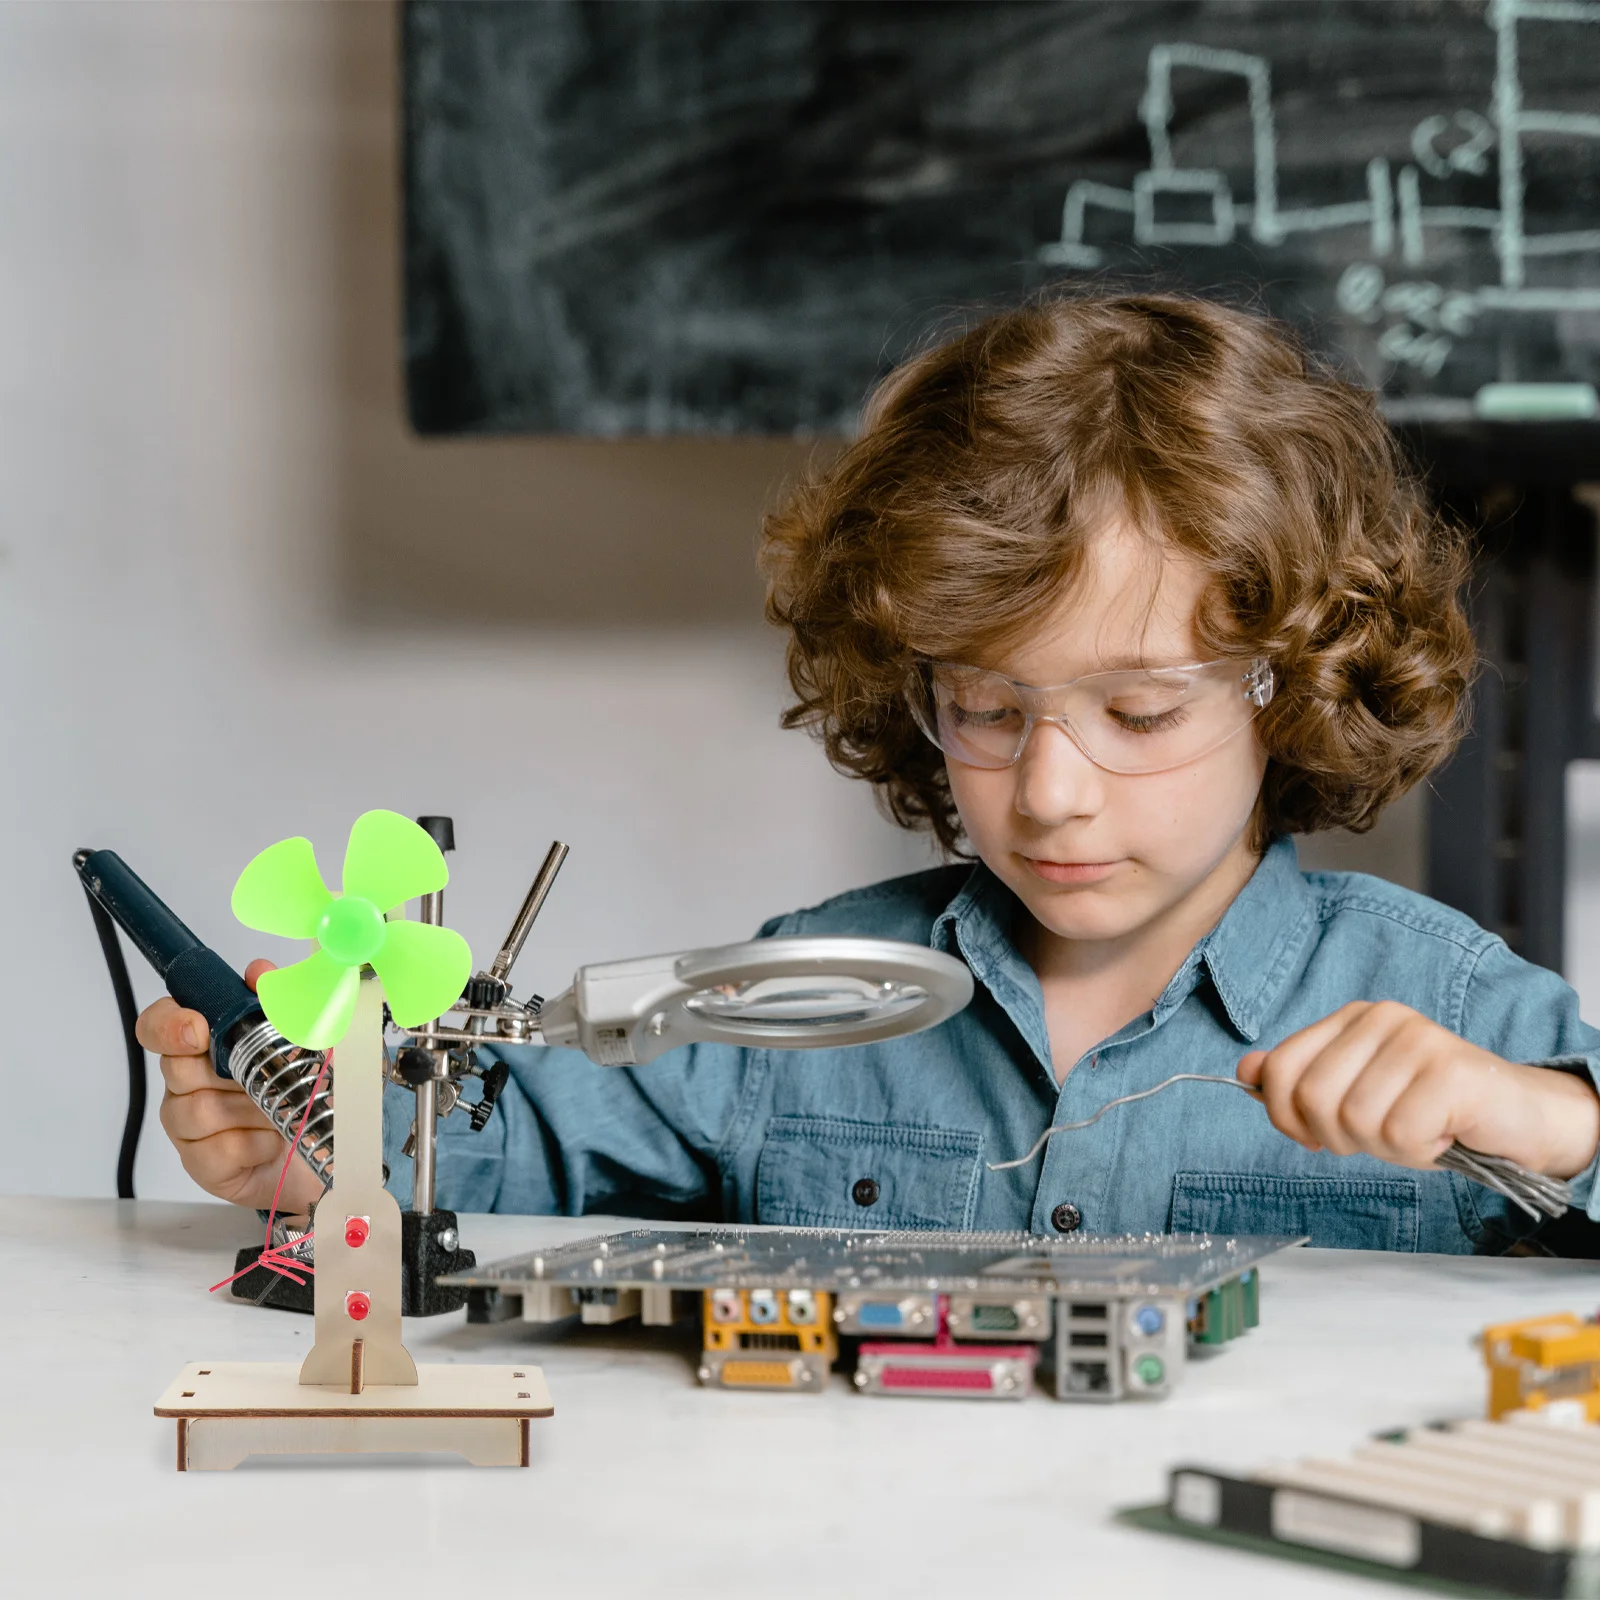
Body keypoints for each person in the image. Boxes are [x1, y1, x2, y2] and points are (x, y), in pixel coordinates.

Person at [137, 293, 1600, 1251]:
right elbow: (506, 1173)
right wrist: (310, 1147)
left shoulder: (1455, 1011)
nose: (1053, 793)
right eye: (988, 710)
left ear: (1290, 688)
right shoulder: (799, 994)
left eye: (1141, 716)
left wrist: (1549, 1120)